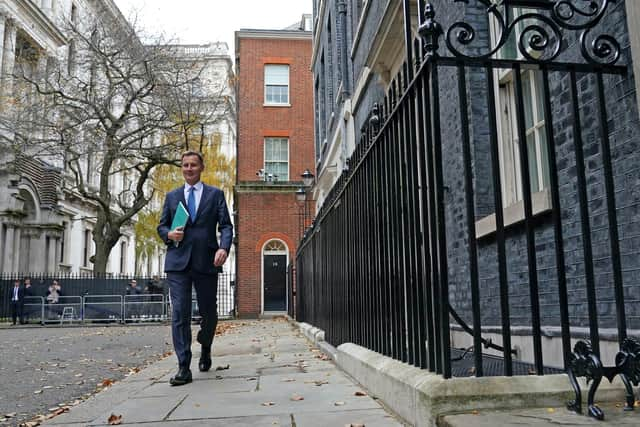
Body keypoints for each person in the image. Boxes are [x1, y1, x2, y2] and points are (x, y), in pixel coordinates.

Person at [157, 150, 233, 386]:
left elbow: (226, 226)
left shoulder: (215, 195)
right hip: (178, 263)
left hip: (206, 261)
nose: (189, 169)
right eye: (185, 165)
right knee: (180, 312)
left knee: (209, 313)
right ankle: (183, 367)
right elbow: (162, 227)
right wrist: (169, 234)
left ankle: (206, 345)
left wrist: (224, 248)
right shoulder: (172, 197)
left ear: (201, 168)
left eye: (193, 165)